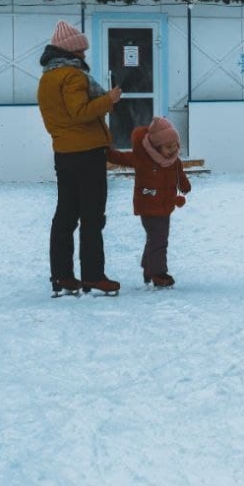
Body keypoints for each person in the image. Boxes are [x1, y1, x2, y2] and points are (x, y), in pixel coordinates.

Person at [37, 20, 123, 296]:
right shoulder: (72, 76)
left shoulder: (47, 78)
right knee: (92, 217)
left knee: (66, 215)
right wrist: (108, 99)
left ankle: (62, 276)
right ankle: (93, 276)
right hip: (87, 155)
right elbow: (80, 112)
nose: (84, 57)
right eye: (81, 52)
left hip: (64, 153)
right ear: (70, 53)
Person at [106, 116, 192, 288]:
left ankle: (149, 266)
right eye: (168, 147)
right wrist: (106, 153)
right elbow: (122, 158)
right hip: (147, 205)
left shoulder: (175, 162)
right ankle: (159, 273)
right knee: (159, 240)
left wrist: (184, 187)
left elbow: (180, 177)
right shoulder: (143, 159)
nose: (173, 150)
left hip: (166, 206)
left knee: (155, 238)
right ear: (156, 146)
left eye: (175, 145)